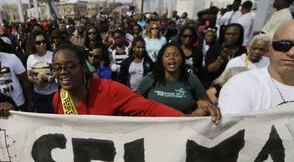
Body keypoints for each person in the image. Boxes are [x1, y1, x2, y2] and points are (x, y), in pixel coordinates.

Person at [51, 43, 220, 122]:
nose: (63, 72)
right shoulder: (59, 98)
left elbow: (147, 108)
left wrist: (185, 118)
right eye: (57, 68)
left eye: (70, 66)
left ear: (83, 68)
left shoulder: (109, 90)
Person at [218, 20, 294, 114]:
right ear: (270, 49)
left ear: (266, 51)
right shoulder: (240, 83)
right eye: (284, 45)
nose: (291, 53)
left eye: (261, 49)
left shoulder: (266, 62)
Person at [138, 44, 210, 114]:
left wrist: (202, 108)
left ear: (182, 59)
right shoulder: (150, 78)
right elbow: (136, 102)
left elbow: (204, 102)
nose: (171, 57)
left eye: (176, 55)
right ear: (161, 60)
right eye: (167, 55)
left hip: (184, 124)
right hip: (155, 125)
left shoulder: (191, 79)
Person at [26, 31, 57, 113]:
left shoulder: (53, 55)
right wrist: (35, 82)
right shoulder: (30, 58)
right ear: (33, 44)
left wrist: (48, 78)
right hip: (39, 95)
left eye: (44, 41)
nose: (42, 44)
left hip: (54, 93)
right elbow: (29, 76)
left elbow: (59, 74)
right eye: (38, 42)